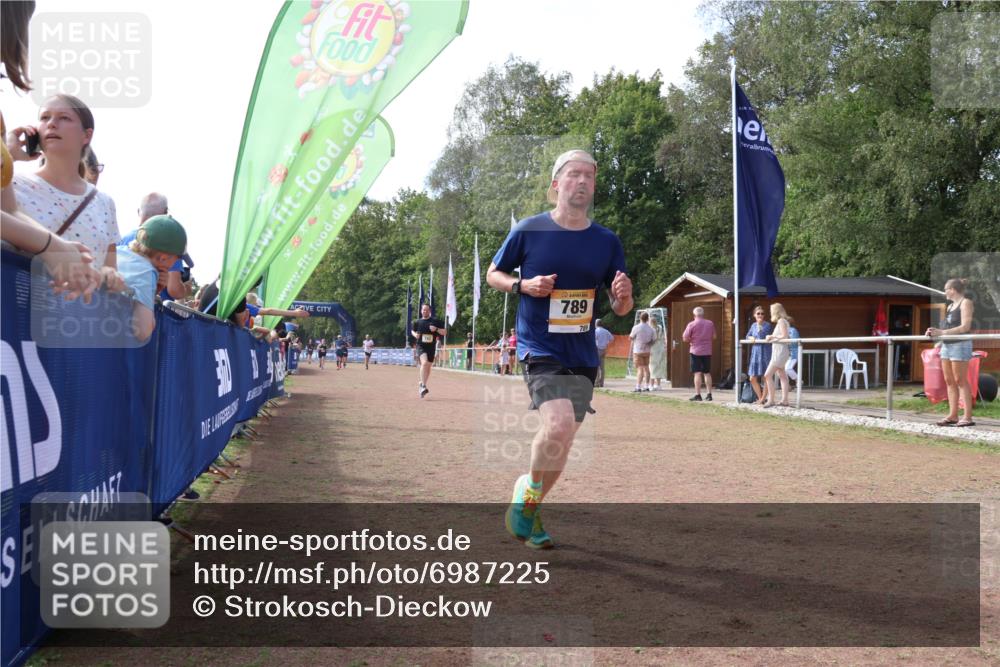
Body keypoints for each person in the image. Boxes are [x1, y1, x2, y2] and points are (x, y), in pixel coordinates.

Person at [487, 148, 633, 549]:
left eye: (589, 176)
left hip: (582, 353)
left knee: (563, 441)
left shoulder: (606, 241)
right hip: (539, 345)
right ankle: (527, 501)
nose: (583, 181)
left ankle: (528, 506)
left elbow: (620, 306)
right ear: (556, 185)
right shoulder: (530, 231)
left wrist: (624, 298)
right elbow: (493, 273)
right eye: (574, 175)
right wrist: (523, 285)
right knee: (559, 425)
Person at [7, 93, 124, 293]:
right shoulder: (12, 183)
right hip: (17, 311)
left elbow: (109, 269)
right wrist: (8, 154)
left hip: (77, 318)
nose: (51, 124)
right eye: (45, 118)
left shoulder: (105, 203)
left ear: (86, 135)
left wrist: (111, 277)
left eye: (64, 118)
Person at [115, 214, 187, 342]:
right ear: (163, 258)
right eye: (176, 260)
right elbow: (143, 331)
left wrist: (154, 291)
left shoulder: (116, 251)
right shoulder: (146, 271)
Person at [926, 278, 976, 427]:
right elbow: (947, 328)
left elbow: (965, 327)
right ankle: (953, 415)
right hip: (947, 345)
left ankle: (967, 417)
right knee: (949, 381)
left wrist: (942, 331)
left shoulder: (966, 303)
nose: (944, 292)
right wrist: (935, 333)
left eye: (946, 289)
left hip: (960, 345)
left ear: (952, 290)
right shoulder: (949, 306)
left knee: (960, 380)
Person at [411, 303, 446, 397]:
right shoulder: (417, 322)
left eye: (426, 310)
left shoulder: (435, 321)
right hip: (420, 346)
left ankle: (422, 384)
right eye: (423, 310)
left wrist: (436, 329)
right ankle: (423, 386)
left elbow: (444, 332)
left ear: (430, 311)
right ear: (421, 310)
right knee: (424, 363)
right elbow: (412, 331)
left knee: (428, 367)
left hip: (431, 347)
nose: (424, 311)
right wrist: (415, 335)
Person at [682, 306, 717, 401]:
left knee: (697, 373)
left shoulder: (691, 324)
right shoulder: (710, 323)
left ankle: (698, 395)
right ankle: (709, 394)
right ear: (703, 314)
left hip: (695, 351)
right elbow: (714, 336)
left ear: (694, 315)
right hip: (707, 351)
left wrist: (691, 340)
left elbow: (685, 338)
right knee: (707, 373)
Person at [762, 303, 792, 407]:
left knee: (767, 375)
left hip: (780, 352)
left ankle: (771, 400)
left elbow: (784, 336)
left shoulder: (781, 321)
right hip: (780, 351)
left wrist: (772, 337)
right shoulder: (782, 321)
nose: (770, 313)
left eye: (771, 311)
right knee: (782, 375)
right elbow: (782, 335)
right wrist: (771, 336)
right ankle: (785, 400)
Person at [745, 306, 773, 404]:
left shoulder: (767, 325)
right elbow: (747, 335)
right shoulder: (753, 325)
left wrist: (759, 326)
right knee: (752, 377)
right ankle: (760, 397)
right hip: (756, 352)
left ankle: (762, 399)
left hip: (765, 352)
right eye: (758, 313)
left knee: (766, 376)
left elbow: (762, 335)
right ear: (754, 315)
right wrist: (750, 338)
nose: (760, 315)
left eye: (762, 313)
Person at [629, 310, 656, 392]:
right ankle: (647, 386)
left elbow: (631, 337)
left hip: (638, 350)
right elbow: (654, 340)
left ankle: (638, 386)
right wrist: (648, 344)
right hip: (647, 351)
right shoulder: (651, 329)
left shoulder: (636, 327)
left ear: (640, 318)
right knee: (647, 368)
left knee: (640, 369)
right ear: (648, 319)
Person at [649, 314, 667, 390]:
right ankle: (658, 385)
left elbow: (652, 340)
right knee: (659, 366)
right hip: (660, 349)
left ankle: (651, 385)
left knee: (652, 367)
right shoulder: (660, 328)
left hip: (653, 349)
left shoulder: (651, 329)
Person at [594, 318, 614, 388]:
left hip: (597, 349)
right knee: (602, 367)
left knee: (596, 366)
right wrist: (606, 343)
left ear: (596, 324)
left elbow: (593, 340)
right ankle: (601, 383)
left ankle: (596, 383)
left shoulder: (596, 331)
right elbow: (612, 338)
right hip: (604, 349)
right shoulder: (606, 331)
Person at [785, 319, 801, 389]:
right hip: (785, 353)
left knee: (788, 368)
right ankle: (787, 386)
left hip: (793, 353)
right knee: (781, 370)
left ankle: (798, 380)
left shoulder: (792, 330)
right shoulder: (783, 330)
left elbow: (793, 342)